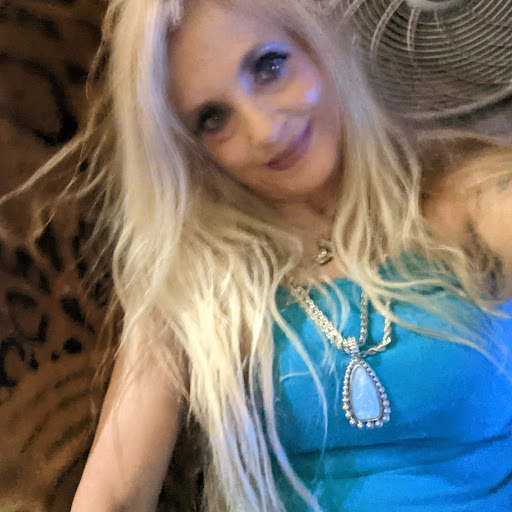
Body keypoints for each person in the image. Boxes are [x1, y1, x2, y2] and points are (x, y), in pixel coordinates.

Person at [42, 0, 512, 510]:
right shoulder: (190, 284)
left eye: (269, 67)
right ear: (190, 152)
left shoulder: (473, 203)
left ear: (318, 46)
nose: (264, 130)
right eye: (213, 118)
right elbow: (113, 496)